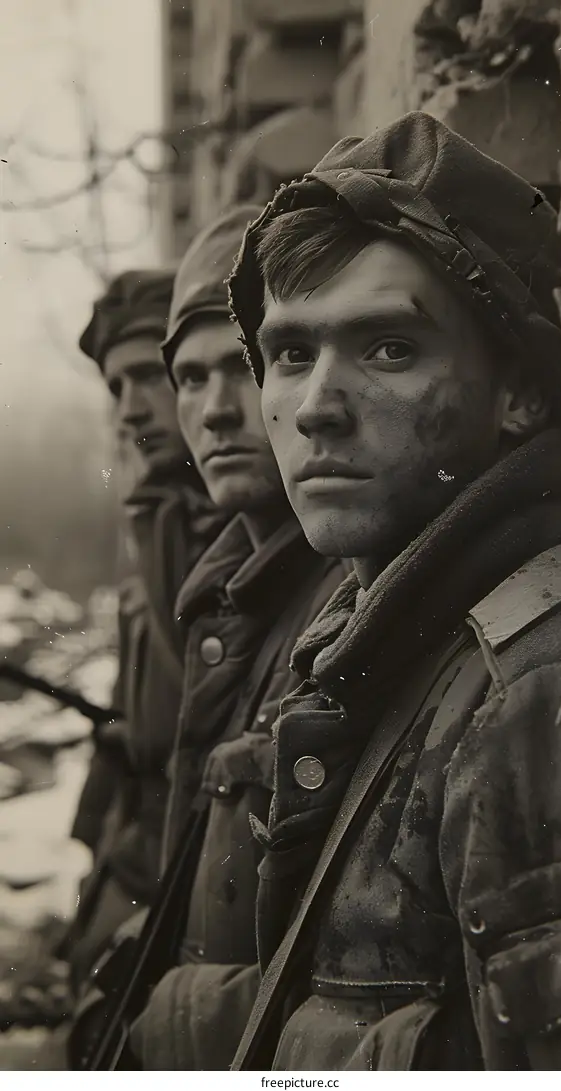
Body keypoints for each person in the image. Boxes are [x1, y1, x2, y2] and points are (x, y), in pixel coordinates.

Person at [226, 112, 561, 1071]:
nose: (314, 407)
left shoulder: (542, 687)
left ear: (518, 391)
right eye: (291, 353)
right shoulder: (389, 643)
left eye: (387, 347)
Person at [93, 206, 342, 1072]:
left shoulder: (347, 592)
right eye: (188, 378)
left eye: (244, 365)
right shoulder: (234, 584)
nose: (215, 410)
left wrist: (172, 1020)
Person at [69, 269, 223, 985]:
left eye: (148, 377)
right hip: (140, 847)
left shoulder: (244, 524)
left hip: (194, 874)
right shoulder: (159, 517)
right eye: (116, 389)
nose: (130, 410)